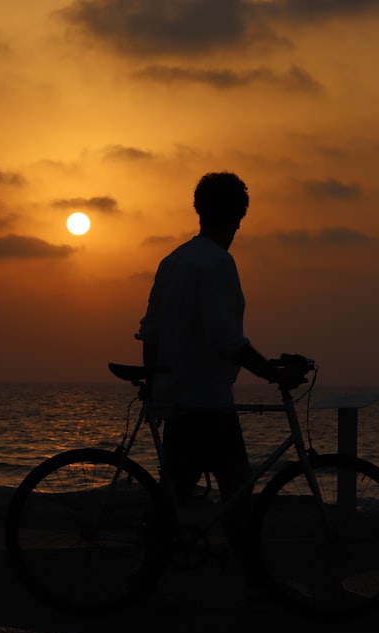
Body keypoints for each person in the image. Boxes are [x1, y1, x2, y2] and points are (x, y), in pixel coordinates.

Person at [136, 171, 304, 575]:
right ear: (241, 215)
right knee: (238, 491)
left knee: (175, 497)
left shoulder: (173, 260)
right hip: (207, 401)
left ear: (199, 210)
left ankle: (142, 581)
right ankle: (260, 586)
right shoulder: (217, 264)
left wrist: (156, 385)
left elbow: (151, 331)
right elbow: (224, 339)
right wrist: (273, 374)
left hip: (177, 397)